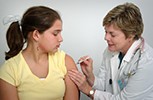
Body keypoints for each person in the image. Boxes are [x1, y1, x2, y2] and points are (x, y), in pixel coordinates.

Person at [68, 2, 153, 100]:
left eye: (112, 34)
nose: (106, 37)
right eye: (106, 32)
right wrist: (89, 75)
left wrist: (88, 90)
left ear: (131, 35)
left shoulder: (147, 62)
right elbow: (105, 86)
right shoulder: (111, 51)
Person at [0, 6, 79, 100]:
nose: (61, 39)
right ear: (36, 35)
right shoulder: (10, 69)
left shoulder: (66, 62)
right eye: (55, 34)